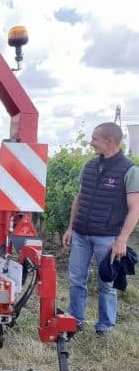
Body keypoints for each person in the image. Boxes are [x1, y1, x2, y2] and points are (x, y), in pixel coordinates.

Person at [63, 122, 139, 337]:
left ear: (109, 140)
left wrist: (122, 240)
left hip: (107, 237)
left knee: (106, 283)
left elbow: (135, 209)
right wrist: (70, 228)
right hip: (80, 234)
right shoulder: (89, 166)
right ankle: (75, 320)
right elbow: (79, 198)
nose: (91, 142)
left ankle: (104, 326)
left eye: (95, 138)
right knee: (77, 279)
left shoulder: (130, 170)